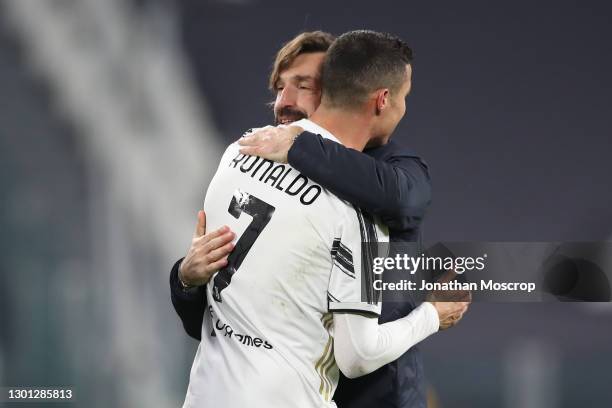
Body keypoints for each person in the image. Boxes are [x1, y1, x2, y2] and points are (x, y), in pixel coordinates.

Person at [171, 31, 469, 408]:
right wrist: (432, 314)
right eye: (281, 86)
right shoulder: (357, 214)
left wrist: (300, 145)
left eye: (302, 85)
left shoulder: (238, 153)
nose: (286, 100)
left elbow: (404, 197)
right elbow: (357, 354)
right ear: (382, 100)